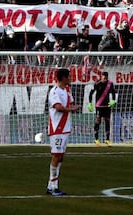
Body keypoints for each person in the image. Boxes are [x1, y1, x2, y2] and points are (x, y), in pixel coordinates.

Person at [46, 68, 80, 196]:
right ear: (63, 78)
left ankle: (52, 185)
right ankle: (53, 187)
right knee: (56, 156)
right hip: (57, 128)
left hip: (65, 128)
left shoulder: (67, 90)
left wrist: (74, 107)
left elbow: (70, 103)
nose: (70, 78)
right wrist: (72, 109)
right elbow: (58, 107)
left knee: (60, 157)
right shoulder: (54, 91)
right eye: (69, 77)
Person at [88, 71, 116, 146]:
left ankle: (107, 140)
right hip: (99, 106)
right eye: (104, 78)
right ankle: (96, 139)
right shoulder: (97, 83)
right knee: (97, 122)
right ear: (101, 77)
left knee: (107, 122)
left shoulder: (110, 84)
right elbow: (91, 93)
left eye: (106, 78)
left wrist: (113, 100)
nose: (105, 79)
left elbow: (113, 92)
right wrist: (90, 103)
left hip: (107, 106)